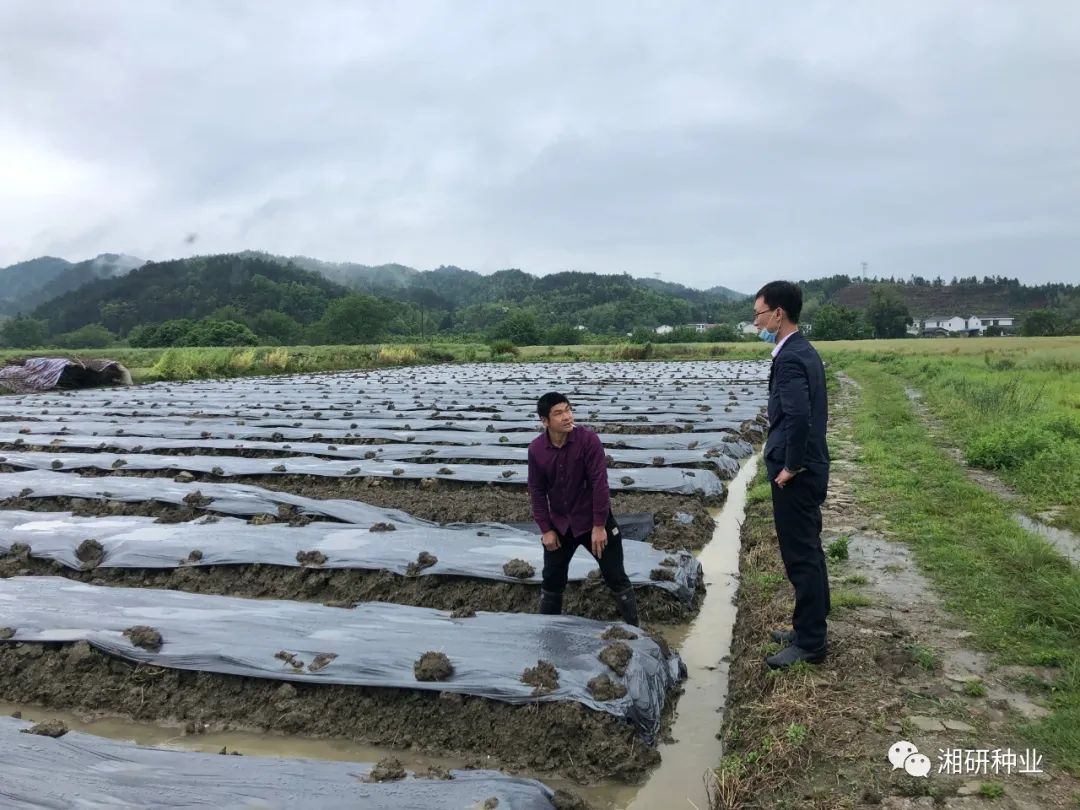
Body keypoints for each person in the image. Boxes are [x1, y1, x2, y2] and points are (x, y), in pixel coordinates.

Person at [752, 281, 831, 669]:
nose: (756, 323)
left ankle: (811, 643)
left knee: (801, 555)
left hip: (798, 473)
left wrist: (790, 467)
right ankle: (807, 628)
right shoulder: (803, 351)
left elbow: (799, 416)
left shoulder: (789, 358)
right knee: (809, 550)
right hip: (809, 465)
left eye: (759, 314)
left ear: (778, 313)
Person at [526, 392, 638, 626]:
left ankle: (634, 630)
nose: (567, 417)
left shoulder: (588, 440)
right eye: (558, 413)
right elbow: (536, 491)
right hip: (561, 525)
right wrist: (546, 529)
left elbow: (599, 484)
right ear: (544, 421)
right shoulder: (536, 450)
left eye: (568, 410)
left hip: (593, 521)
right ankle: (550, 632)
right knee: (552, 578)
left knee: (615, 575)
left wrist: (599, 526)